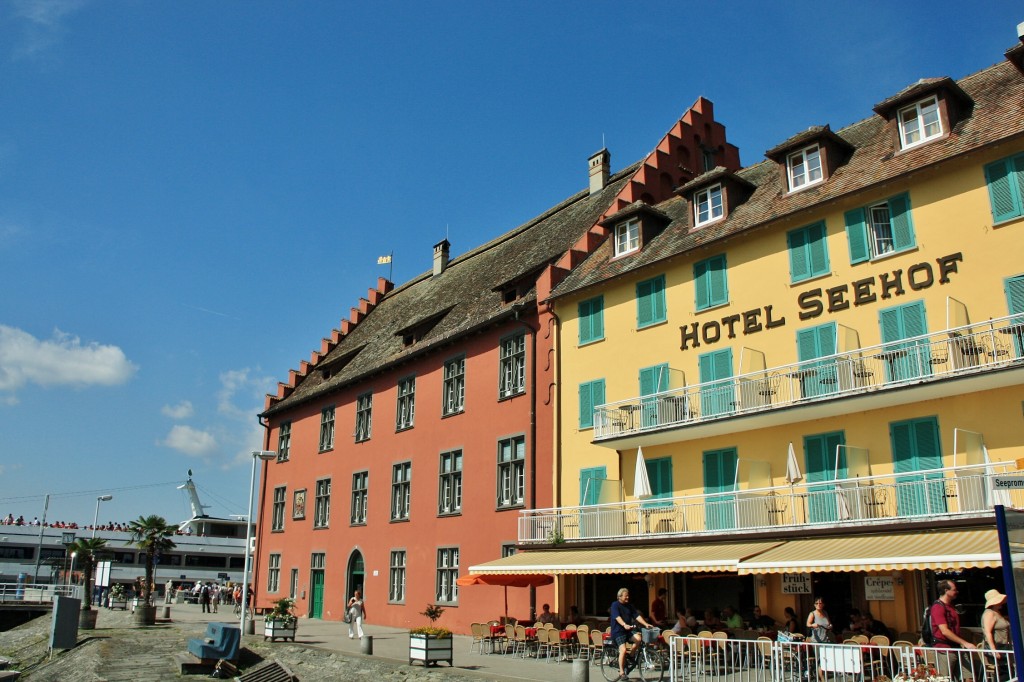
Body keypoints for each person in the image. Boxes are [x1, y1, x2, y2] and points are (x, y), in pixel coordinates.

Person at [930, 580, 976, 681]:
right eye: (954, 590)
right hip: (945, 649)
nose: (957, 592)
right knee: (944, 678)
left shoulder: (950, 606)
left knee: (969, 676)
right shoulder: (938, 607)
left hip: (957, 647)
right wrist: (965, 643)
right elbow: (945, 631)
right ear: (946, 591)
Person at [610, 587, 655, 681]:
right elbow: (617, 617)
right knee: (623, 650)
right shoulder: (615, 605)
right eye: (626, 596)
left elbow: (637, 616)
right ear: (620, 596)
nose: (627, 598)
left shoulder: (629, 606)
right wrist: (624, 624)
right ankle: (622, 672)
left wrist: (646, 624)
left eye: (628, 596)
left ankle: (631, 655)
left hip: (628, 630)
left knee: (638, 639)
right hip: (618, 631)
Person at [981, 589, 1011, 678]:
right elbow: (988, 632)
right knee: (1003, 672)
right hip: (997, 646)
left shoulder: (997, 613)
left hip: (1003, 646)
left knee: (1007, 671)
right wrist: (993, 650)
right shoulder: (989, 614)